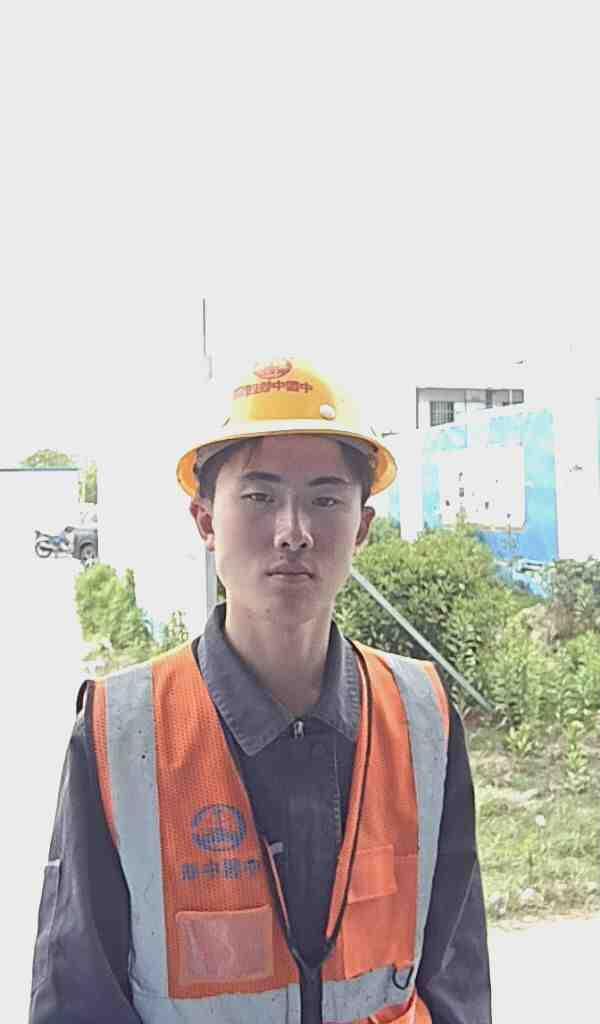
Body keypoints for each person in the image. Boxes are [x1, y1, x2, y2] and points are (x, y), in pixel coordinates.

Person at [29, 357, 492, 1024]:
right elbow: (78, 996)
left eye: (326, 499)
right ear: (205, 521)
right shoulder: (119, 733)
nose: (293, 531)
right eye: (259, 497)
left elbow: (455, 980)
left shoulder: (421, 715)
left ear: (362, 527)